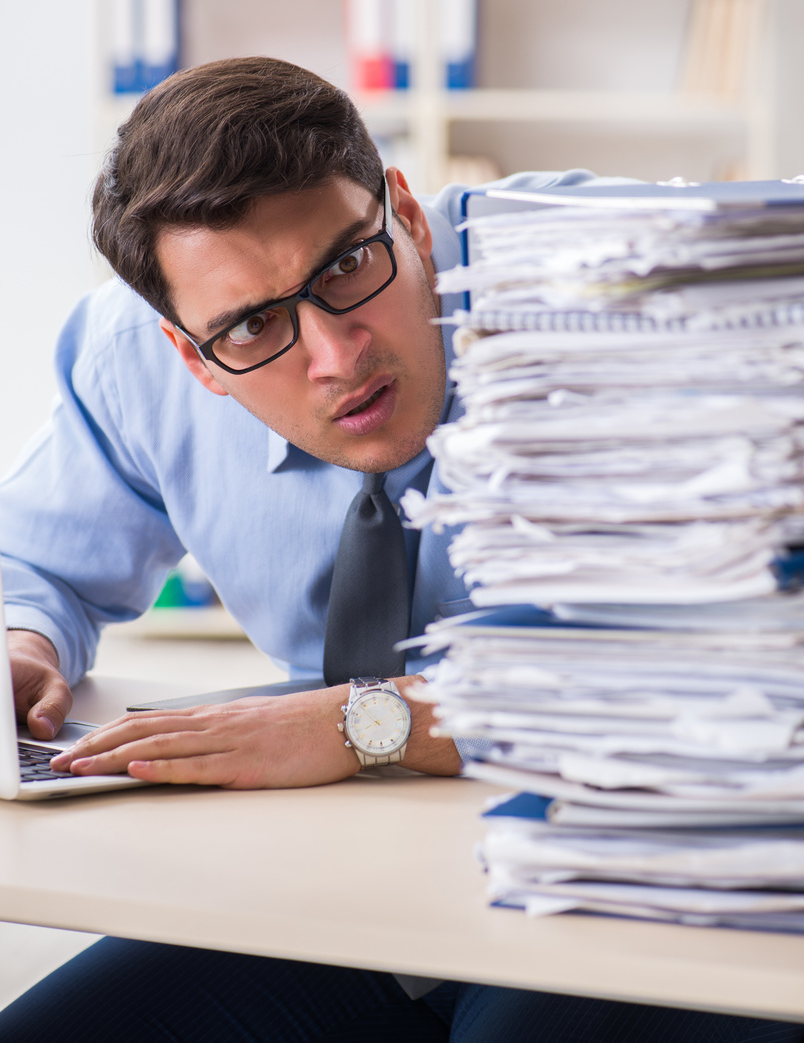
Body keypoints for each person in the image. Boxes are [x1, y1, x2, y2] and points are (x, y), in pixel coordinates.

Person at [0, 57, 800, 1041]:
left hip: (645, 858)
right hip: (340, 879)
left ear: (409, 218)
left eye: (345, 265)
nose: (337, 355)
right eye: (253, 326)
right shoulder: (131, 356)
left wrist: (366, 722)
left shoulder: (624, 284)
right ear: (191, 355)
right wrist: (24, 641)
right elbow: (35, 565)